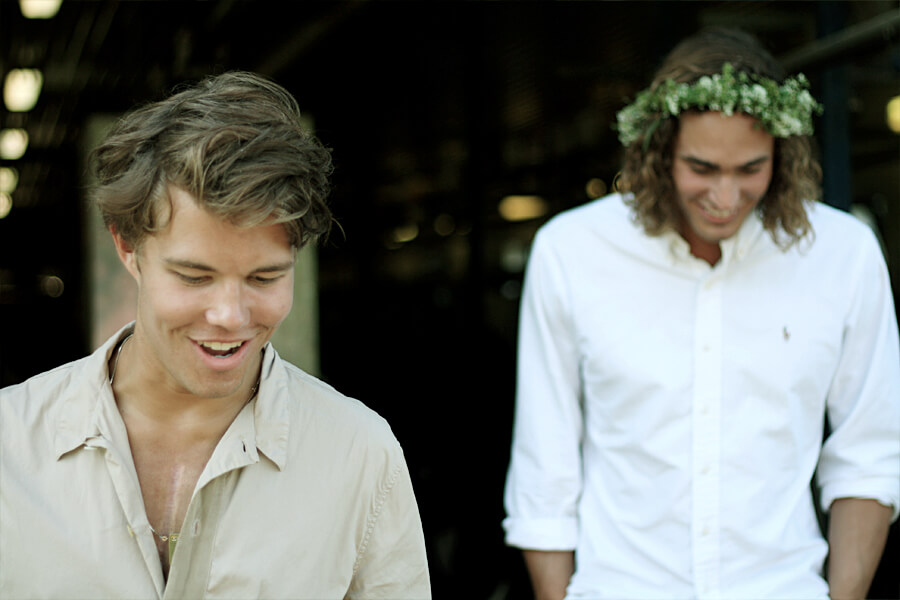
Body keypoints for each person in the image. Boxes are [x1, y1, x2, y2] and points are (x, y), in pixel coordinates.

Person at [0, 71, 430, 599]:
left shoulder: (359, 454)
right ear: (128, 248)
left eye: (264, 278)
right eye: (194, 277)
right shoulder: (9, 444)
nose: (229, 315)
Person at [503, 27, 899, 600]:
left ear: (782, 154)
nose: (726, 196)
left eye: (750, 169)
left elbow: (868, 455)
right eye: (703, 167)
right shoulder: (571, 252)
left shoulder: (844, 254)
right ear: (659, 149)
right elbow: (546, 474)